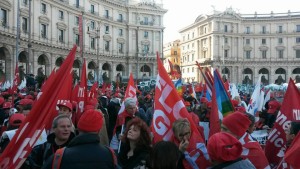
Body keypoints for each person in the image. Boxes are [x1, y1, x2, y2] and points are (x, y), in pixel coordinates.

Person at [42, 109, 117, 169]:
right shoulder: (110, 154)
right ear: (99, 130)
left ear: (79, 128)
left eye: (68, 126)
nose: (66, 129)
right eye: (62, 126)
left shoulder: (60, 156)